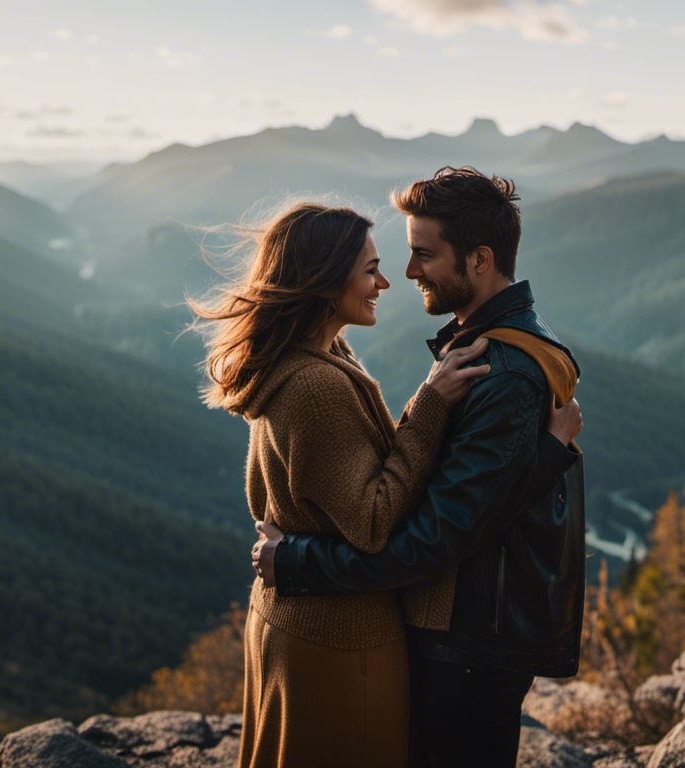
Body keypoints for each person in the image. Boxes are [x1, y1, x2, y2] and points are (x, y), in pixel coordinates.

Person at [187, 201, 582, 768]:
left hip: (313, 620)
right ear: (325, 281)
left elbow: (438, 498)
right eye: (372, 267)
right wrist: (432, 406)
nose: (394, 277)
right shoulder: (317, 383)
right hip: (338, 631)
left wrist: (539, 454)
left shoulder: (318, 357)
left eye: (420, 254)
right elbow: (379, 520)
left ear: (480, 260)